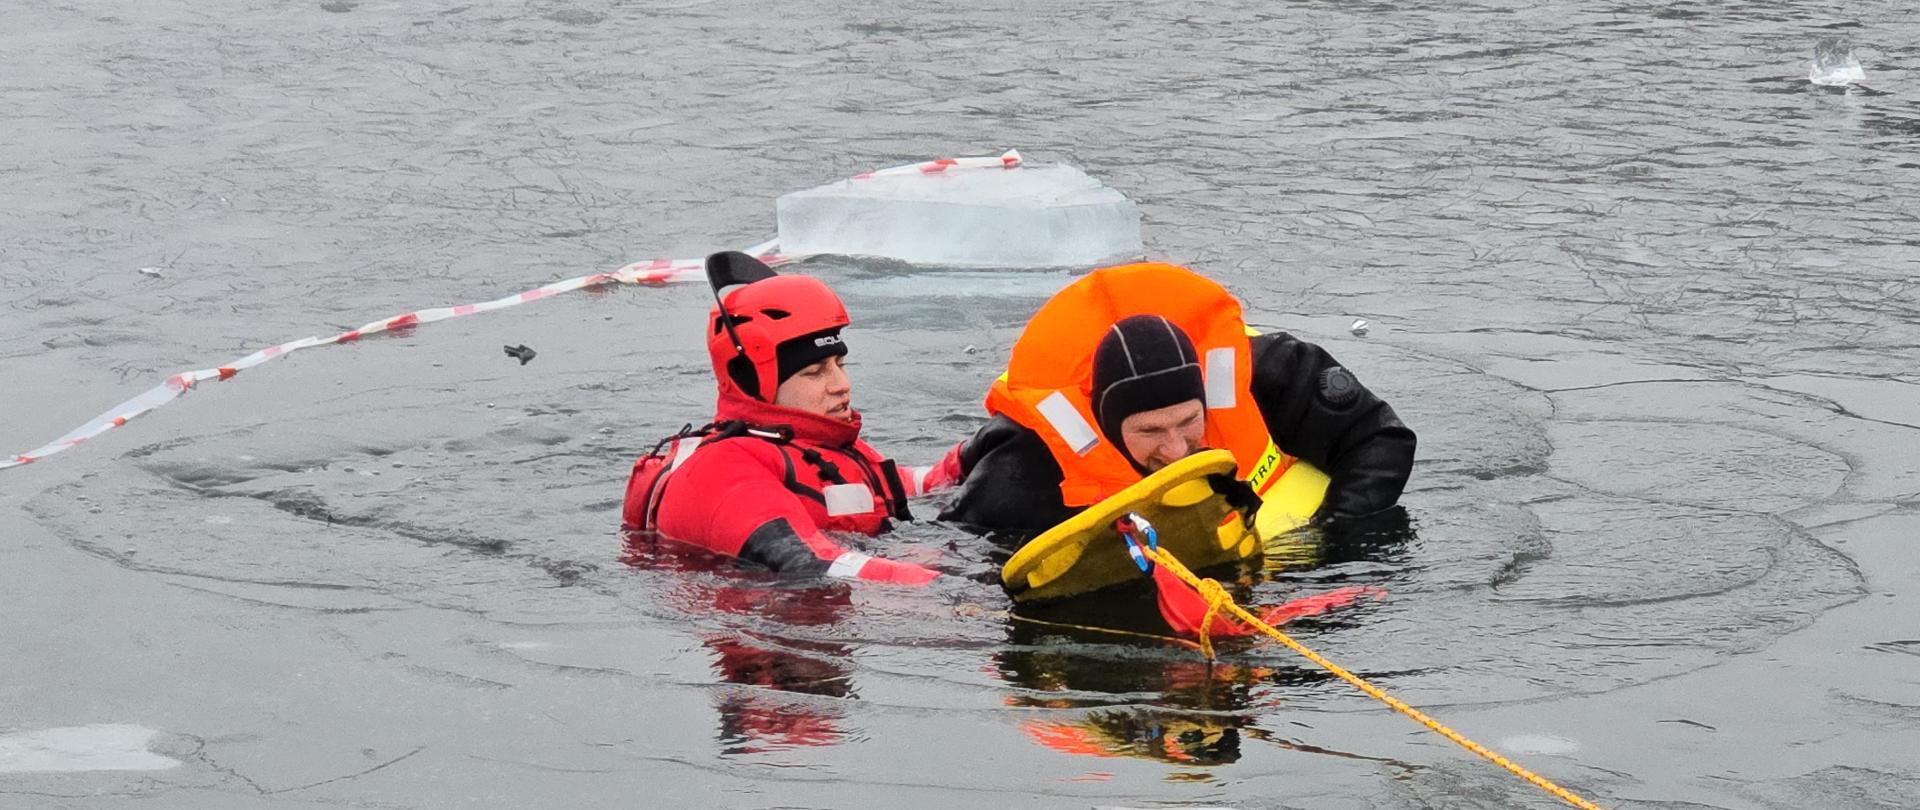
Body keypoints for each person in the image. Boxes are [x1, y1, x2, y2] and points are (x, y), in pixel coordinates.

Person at [938, 261, 1416, 544]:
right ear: (1105, 422)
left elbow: (1380, 440)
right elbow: (961, 554)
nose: (1175, 449)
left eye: (1188, 422)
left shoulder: (1269, 372)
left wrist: (1326, 542)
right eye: (1149, 432)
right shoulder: (1022, 464)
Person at [621, 251, 955, 584]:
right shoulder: (720, 470)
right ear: (754, 379)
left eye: (840, 365)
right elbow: (807, 561)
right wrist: (945, 588)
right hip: (774, 626)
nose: (841, 385)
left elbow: (913, 484)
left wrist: (976, 454)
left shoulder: (823, 445)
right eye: (814, 372)